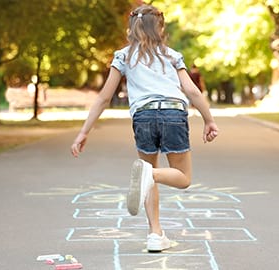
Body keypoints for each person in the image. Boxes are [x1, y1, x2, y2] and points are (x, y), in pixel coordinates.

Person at [70, 4, 219, 252]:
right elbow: (191, 90)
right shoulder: (172, 55)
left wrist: (84, 131)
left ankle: (155, 234)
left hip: (143, 116)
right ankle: (150, 190)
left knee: (148, 174)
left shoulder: (123, 56)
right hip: (173, 113)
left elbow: (103, 97)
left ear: (132, 29)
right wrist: (209, 120)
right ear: (160, 28)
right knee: (183, 179)